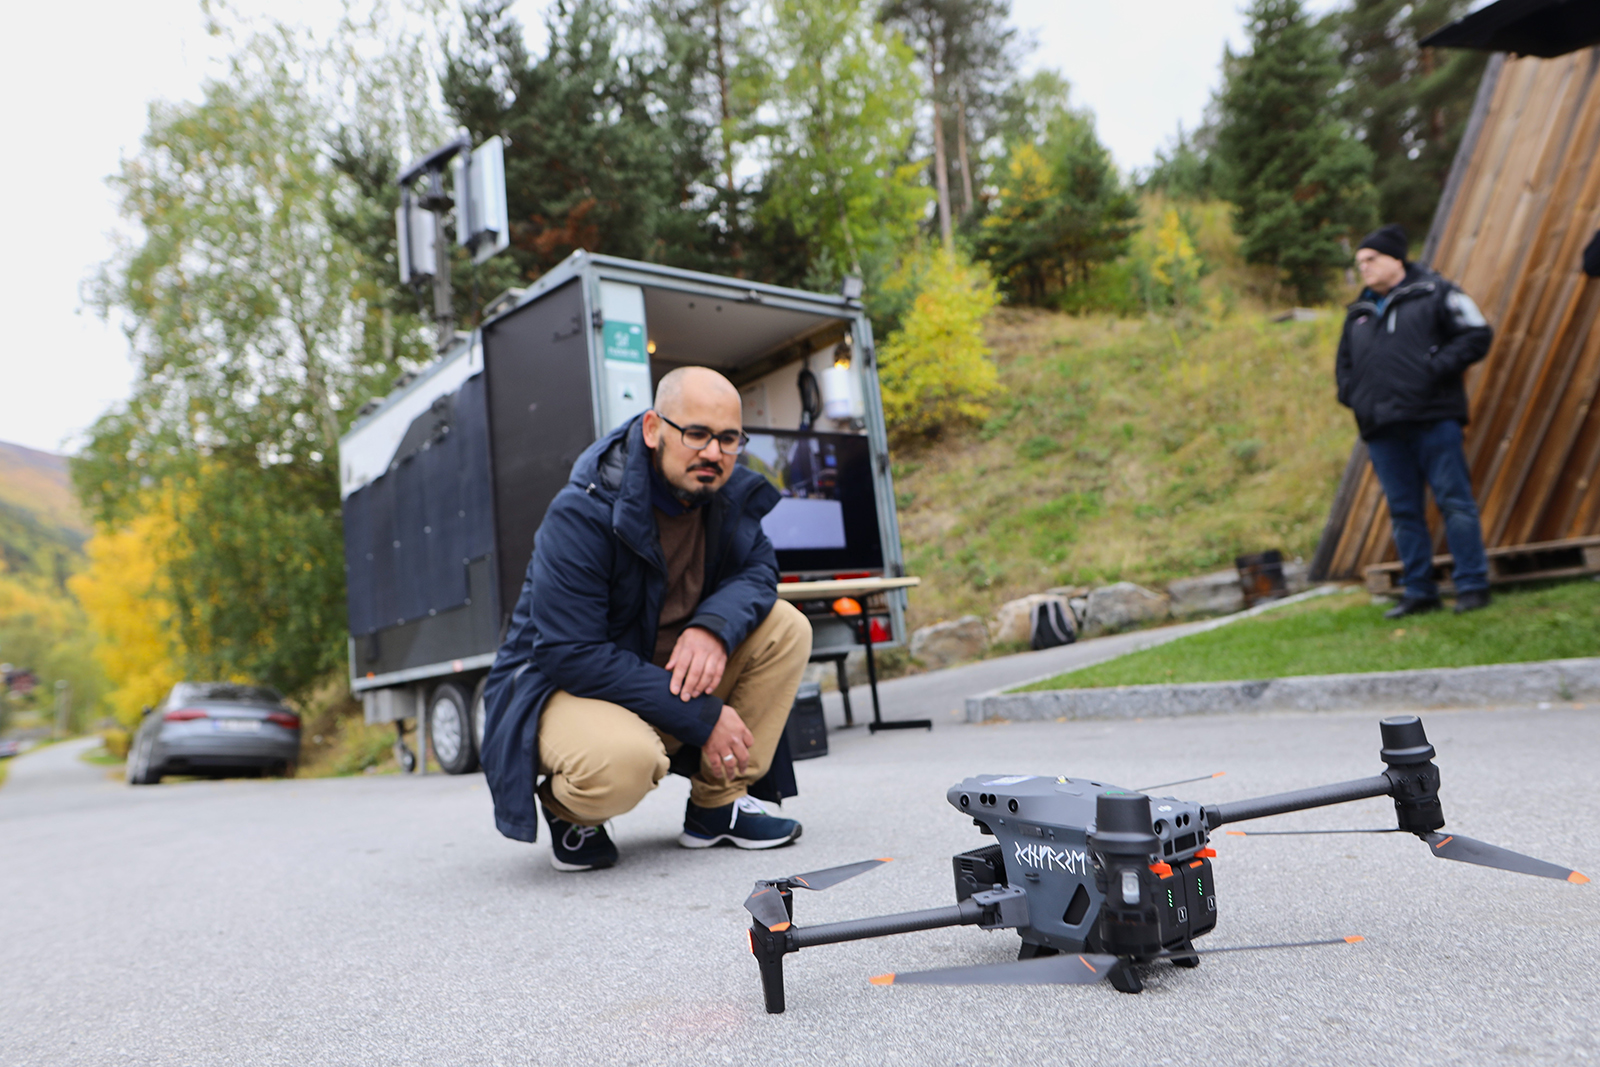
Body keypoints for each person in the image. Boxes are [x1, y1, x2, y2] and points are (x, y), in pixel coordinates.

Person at [478, 366, 812, 871]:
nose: (713, 453)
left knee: (785, 625)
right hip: (557, 686)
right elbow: (571, 653)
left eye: (728, 438)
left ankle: (717, 805)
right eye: (696, 434)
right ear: (654, 429)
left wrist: (713, 629)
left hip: (648, 674)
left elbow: (759, 570)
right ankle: (569, 812)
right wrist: (704, 716)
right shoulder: (585, 509)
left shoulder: (726, 496)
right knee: (624, 763)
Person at [1336, 224, 1495, 620]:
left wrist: (1434, 368)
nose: (1365, 268)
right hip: (1382, 429)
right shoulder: (1357, 313)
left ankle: (1472, 584)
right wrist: (1355, 396)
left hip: (1433, 418)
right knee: (1404, 511)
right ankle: (1419, 590)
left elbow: (1477, 334)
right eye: (1359, 263)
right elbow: (1344, 367)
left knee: (1454, 502)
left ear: (1395, 259)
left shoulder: (1436, 292)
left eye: (1371, 259)